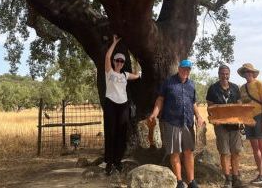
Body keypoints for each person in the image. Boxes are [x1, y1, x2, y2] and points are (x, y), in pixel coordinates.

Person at [148, 59, 205, 188]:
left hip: (188, 122)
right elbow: (160, 99)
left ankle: (191, 181)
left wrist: (199, 116)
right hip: (172, 121)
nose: (186, 71)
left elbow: (193, 103)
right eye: (184, 68)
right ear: (179, 69)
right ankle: (179, 181)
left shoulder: (191, 85)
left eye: (188, 69)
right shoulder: (169, 82)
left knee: (189, 152)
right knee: (175, 152)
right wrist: (154, 113)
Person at [103, 35, 140, 175]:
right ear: (113, 62)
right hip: (111, 104)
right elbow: (107, 57)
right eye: (117, 60)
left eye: (121, 61)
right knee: (110, 132)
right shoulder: (109, 72)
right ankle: (109, 162)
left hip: (123, 105)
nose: (119, 62)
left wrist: (136, 59)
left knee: (121, 134)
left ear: (124, 63)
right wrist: (114, 43)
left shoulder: (125, 75)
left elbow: (137, 75)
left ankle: (118, 161)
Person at [206, 64, 244, 188]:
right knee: (224, 152)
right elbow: (210, 107)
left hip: (234, 125)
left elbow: (239, 105)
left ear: (229, 74)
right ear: (218, 74)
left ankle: (236, 178)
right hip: (221, 125)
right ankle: (227, 179)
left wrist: (239, 119)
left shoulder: (235, 88)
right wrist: (214, 119)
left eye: (227, 73)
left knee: (236, 152)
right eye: (222, 73)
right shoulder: (213, 88)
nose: (225, 76)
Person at [238, 63, 262, 187]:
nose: (247, 73)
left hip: (259, 117)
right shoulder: (241, 88)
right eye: (245, 72)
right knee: (254, 148)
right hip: (248, 119)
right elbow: (241, 105)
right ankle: (261, 174)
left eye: (249, 71)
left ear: (253, 73)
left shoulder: (258, 84)